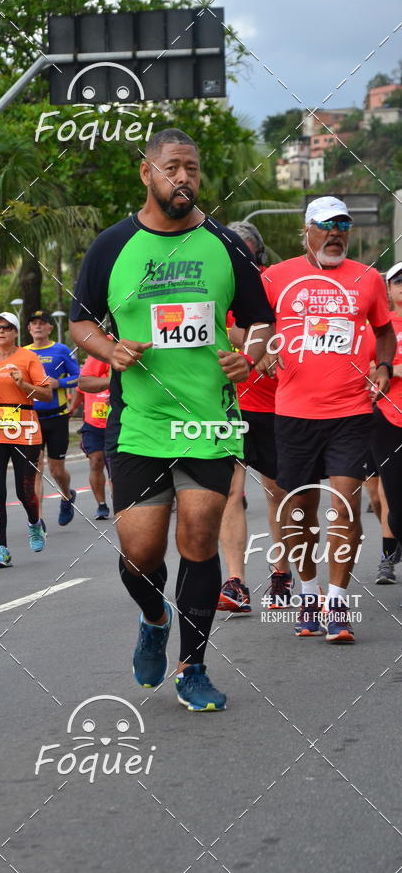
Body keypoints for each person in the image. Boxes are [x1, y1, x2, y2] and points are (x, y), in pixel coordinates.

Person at [70, 128, 274, 712]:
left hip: (208, 421)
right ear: (147, 173)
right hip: (138, 420)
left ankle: (194, 666)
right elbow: (81, 322)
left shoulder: (226, 246)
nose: (183, 177)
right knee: (139, 553)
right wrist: (108, 350)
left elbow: (262, 319)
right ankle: (154, 618)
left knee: (199, 540)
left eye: (192, 168)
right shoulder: (111, 246)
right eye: (172, 167)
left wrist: (250, 354)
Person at [261, 196, 396, 643]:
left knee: (344, 505)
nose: (336, 233)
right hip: (293, 414)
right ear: (307, 230)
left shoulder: (368, 278)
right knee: (298, 512)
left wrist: (383, 367)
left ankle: (337, 604)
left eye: (343, 226)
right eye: (326, 226)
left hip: (351, 412)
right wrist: (259, 355)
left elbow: (383, 333)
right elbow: (248, 327)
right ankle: (308, 592)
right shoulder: (276, 278)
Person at [218, 221, 292, 614]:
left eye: (244, 250)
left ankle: (280, 573)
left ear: (257, 254)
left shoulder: (272, 287)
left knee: (277, 493)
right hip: (225, 405)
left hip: (272, 405)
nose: (238, 257)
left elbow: (278, 340)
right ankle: (236, 582)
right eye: (231, 249)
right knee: (230, 493)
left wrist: (241, 338)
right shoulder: (212, 286)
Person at [0, 311, 51, 566]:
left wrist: (23, 384)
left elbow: (47, 394)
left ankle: (34, 523)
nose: (1, 331)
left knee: (24, 489)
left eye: (6, 327)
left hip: (24, 428)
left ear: (16, 332)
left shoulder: (29, 358)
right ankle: (1, 550)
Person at [25, 310, 80, 527]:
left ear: (50, 328)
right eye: (33, 323)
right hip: (32, 418)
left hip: (57, 418)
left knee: (56, 470)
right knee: (36, 469)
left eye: (42, 323)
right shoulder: (22, 353)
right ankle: (38, 520)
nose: (38, 326)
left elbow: (78, 377)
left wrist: (60, 383)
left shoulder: (61, 350)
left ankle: (67, 496)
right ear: (29, 329)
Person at [371, 262, 402, 587]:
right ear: (389, 290)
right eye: (398, 282)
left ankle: (388, 558)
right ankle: (389, 551)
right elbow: (369, 367)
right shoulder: (380, 328)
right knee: (389, 498)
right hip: (386, 420)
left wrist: (392, 370)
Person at [78, 352, 112, 519]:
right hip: (93, 426)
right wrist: (70, 411)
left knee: (114, 466)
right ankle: (101, 505)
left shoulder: (120, 374)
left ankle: (120, 501)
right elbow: (79, 391)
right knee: (95, 462)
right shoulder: (89, 378)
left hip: (116, 424)